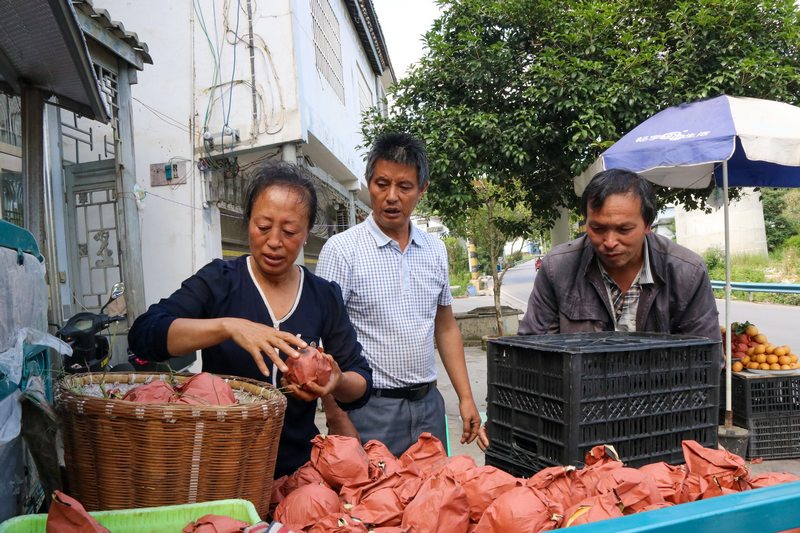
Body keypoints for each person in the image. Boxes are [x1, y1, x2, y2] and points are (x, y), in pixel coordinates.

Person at [128, 161, 372, 478]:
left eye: (289, 231)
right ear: (248, 222)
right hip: (222, 467)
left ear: (306, 233)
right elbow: (145, 335)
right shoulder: (219, 281)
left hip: (297, 472)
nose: (274, 241)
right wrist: (228, 326)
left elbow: (361, 382)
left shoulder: (323, 295)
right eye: (263, 226)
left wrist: (337, 381)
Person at [315, 132, 482, 457]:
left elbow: (446, 326)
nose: (391, 197)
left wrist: (465, 397)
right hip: (367, 410)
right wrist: (336, 416)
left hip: (429, 407)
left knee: (435, 489)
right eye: (382, 184)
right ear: (369, 183)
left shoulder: (434, 249)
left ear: (422, 190)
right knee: (373, 491)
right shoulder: (342, 250)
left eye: (404, 187)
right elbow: (320, 342)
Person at [518, 168, 721, 341]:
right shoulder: (557, 268)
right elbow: (532, 348)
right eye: (597, 228)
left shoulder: (687, 272)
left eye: (624, 229)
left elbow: (705, 357)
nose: (609, 242)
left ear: (648, 225)